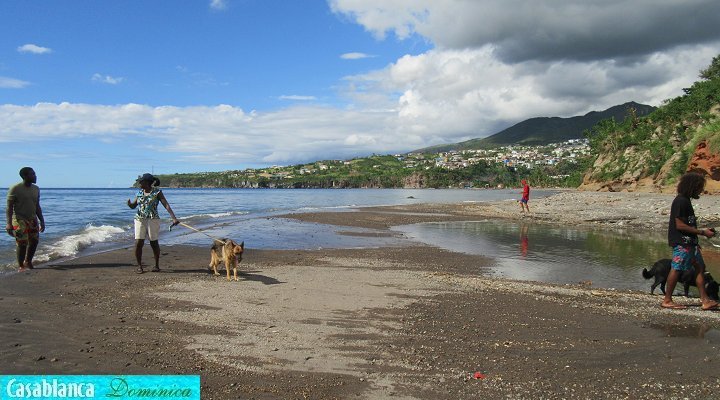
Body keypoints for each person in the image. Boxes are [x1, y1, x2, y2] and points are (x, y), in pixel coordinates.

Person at [662, 172, 717, 310]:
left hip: (690, 242)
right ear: (692, 187)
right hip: (682, 242)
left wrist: (696, 239)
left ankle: (705, 300)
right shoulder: (681, 201)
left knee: (700, 268)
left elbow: (688, 224)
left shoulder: (686, 201)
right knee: (676, 269)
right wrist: (703, 232)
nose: (701, 190)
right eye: (699, 187)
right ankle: (667, 300)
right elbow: (679, 225)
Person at [127, 173, 179, 274]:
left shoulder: (157, 192)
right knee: (138, 242)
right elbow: (134, 206)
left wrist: (174, 218)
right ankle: (139, 266)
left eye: (141, 181)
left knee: (153, 242)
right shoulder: (139, 193)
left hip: (153, 219)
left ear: (147, 182)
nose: (139, 183)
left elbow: (166, 205)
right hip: (139, 219)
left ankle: (156, 265)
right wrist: (129, 204)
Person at [6, 167, 45, 271]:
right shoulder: (15, 188)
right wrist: (9, 224)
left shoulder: (36, 189)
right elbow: (9, 207)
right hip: (19, 220)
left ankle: (28, 261)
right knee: (22, 243)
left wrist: (42, 220)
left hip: (32, 219)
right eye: (32, 174)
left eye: (34, 174)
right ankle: (21, 265)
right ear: (25, 176)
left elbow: (37, 206)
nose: (35, 176)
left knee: (34, 241)